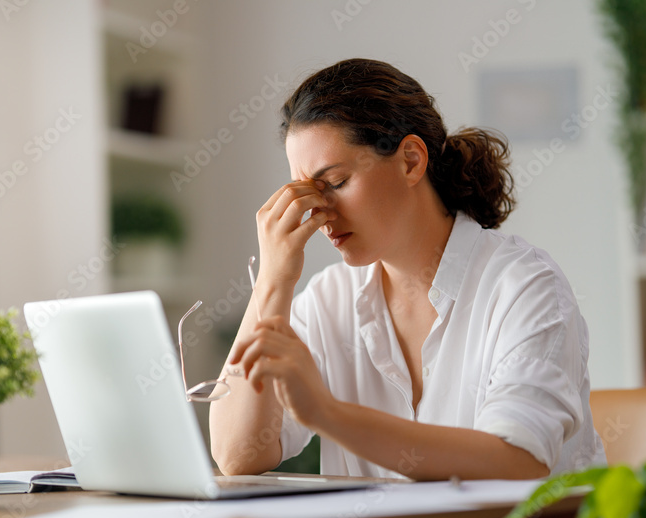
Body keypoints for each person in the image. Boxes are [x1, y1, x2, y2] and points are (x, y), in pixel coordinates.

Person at [209, 58, 605, 481]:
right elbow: (238, 456)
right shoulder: (329, 300)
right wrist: (273, 279)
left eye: (336, 183)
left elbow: (516, 460)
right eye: (305, 192)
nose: (320, 213)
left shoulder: (524, 287)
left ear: (412, 161)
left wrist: (327, 413)